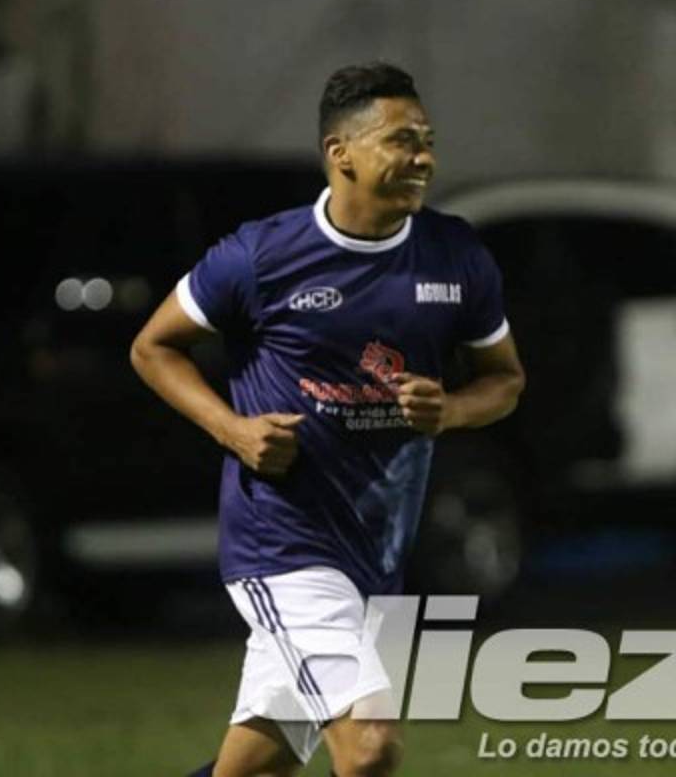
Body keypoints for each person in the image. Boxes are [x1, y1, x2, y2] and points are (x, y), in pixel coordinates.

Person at [130, 62, 525, 777]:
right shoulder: (262, 256)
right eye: (403, 141)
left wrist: (453, 409)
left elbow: (507, 381)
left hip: (378, 551)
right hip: (284, 546)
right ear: (340, 153)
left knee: (254, 769)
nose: (424, 158)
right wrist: (235, 431)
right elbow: (152, 348)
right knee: (371, 747)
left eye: (428, 141)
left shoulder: (456, 255)